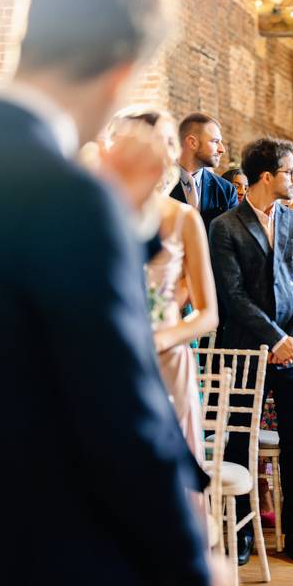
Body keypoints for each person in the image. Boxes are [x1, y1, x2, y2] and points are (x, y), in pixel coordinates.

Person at [0, 0, 218, 586]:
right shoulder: (71, 195)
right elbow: (120, 409)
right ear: (119, 72)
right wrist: (191, 571)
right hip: (73, 556)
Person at [209, 137, 293, 565]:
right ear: (267, 176)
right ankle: (239, 535)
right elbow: (232, 295)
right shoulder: (224, 227)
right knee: (239, 441)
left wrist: (290, 339)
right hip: (243, 351)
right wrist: (274, 338)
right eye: (290, 172)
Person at [108, 107, 219, 473]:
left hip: (168, 361)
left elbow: (208, 314)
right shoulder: (97, 215)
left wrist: (161, 338)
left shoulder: (182, 218)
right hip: (111, 360)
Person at [170, 113, 237, 232]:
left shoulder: (226, 190)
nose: (222, 149)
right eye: (215, 141)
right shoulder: (158, 184)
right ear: (192, 142)